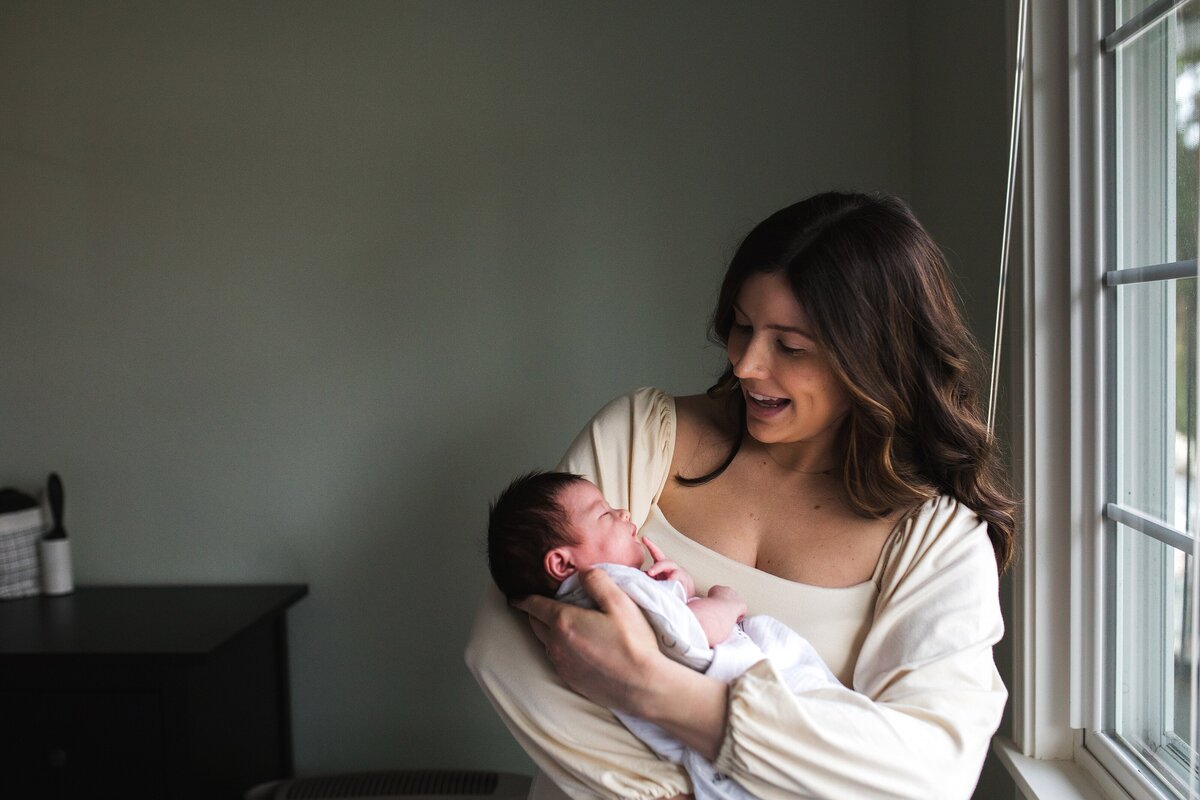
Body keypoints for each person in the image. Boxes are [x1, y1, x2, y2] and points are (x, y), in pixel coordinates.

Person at [465, 191, 1016, 800]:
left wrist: (658, 691)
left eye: (791, 345)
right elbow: (506, 652)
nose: (748, 364)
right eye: (743, 327)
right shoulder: (639, 438)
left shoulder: (937, 539)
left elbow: (926, 776)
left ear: (873, 361)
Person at [486, 470, 840, 800]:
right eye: (604, 514)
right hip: (739, 700)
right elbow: (693, 634)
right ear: (563, 564)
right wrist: (725, 602)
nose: (624, 512)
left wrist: (678, 589)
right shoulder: (612, 584)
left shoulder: (573, 618)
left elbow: (666, 631)